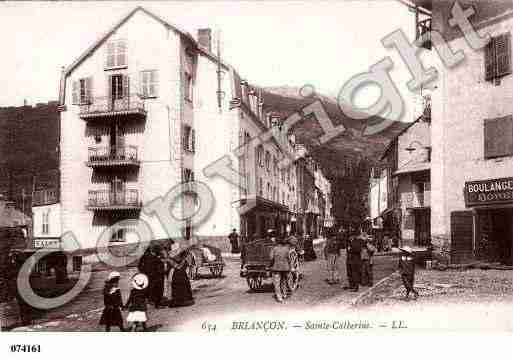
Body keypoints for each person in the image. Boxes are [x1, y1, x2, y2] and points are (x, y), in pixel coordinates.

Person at [269, 234, 292, 302]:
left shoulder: (274, 249)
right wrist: (290, 266)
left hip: (276, 268)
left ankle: (279, 297)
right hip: (285, 268)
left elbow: (271, 258)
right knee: (283, 281)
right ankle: (284, 294)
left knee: (277, 283)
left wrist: (271, 265)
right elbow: (289, 258)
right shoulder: (286, 249)